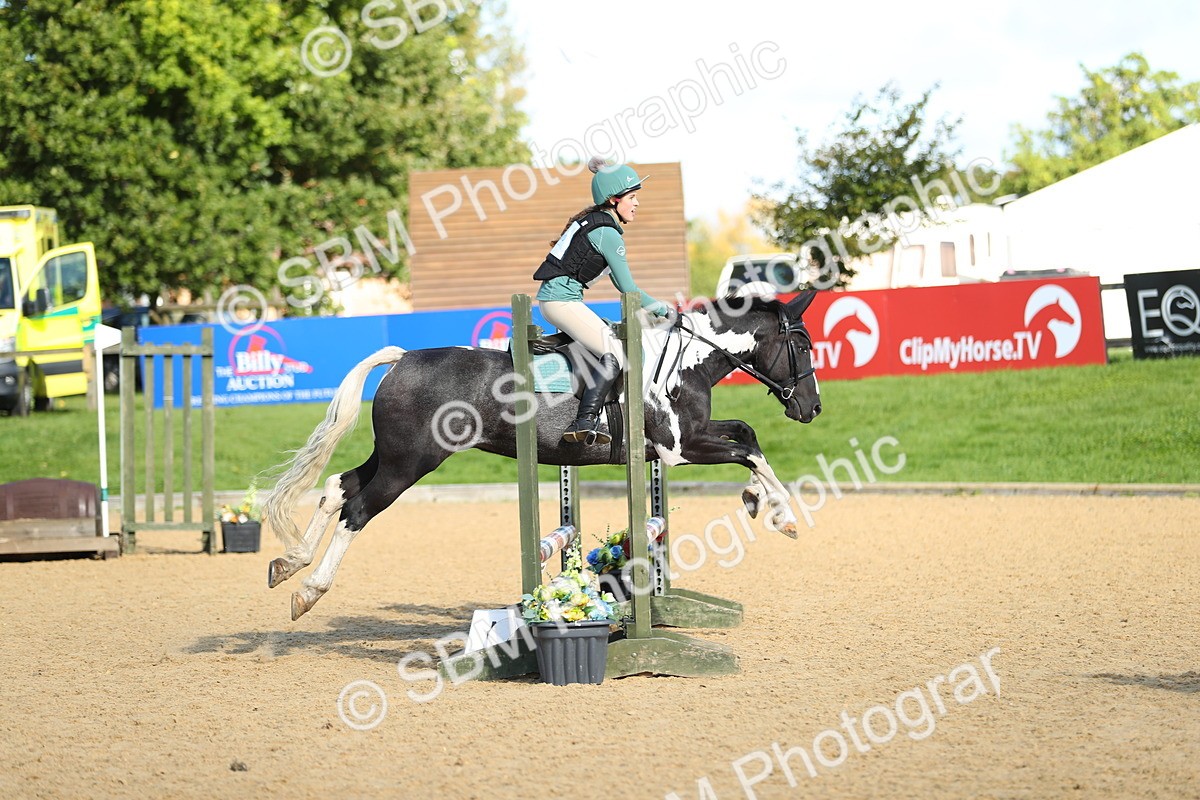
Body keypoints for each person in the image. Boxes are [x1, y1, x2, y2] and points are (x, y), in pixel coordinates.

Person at [533, 157, 671, 445]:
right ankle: (585, 420)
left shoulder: (596, 223)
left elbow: (619, 284)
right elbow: (628, 288)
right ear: (613, 199)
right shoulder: (607, 233)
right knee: (616, 356)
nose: (636, 204)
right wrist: (662, 308)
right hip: (561, 301)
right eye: (632, 197)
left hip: (557, 300)